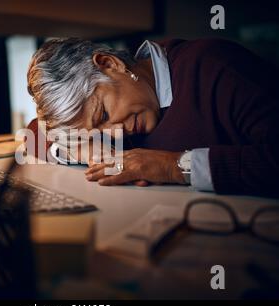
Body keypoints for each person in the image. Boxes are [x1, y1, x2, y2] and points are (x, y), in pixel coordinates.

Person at [26, 38, 279, 197]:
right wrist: (86, 148)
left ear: (110, 64)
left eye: (103, 114)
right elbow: (34, 134)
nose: (114, 132)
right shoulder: (115, 124)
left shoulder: (216, 67)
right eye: (98, 130)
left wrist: (174, 167)